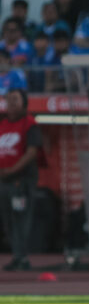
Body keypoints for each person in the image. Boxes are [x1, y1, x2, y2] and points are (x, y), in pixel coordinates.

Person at [0, 89, 41, 271]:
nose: (11, 104)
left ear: (24, 103)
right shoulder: (3, 125)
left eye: (15, 100)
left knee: (20, 219)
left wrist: (12, 170)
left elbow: (32, 152)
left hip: (21, 182)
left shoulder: (29, 124)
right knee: (8, 219)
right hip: (4, 181)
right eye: (8, 100)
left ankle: (22, 257)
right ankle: (17, 255)